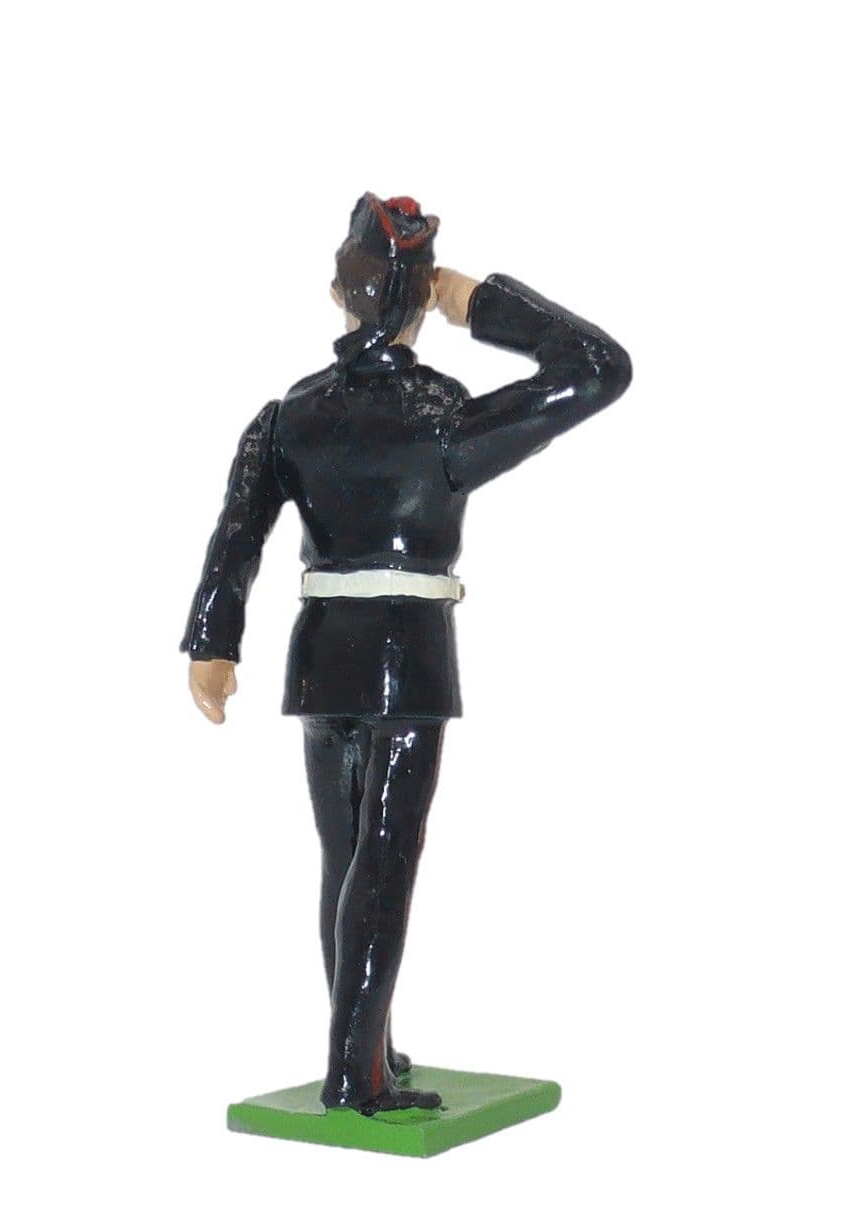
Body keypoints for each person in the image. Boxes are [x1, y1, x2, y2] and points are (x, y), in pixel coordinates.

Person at [181, 193, 632, 1115]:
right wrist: (476, 302)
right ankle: (356, 1071)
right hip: (408, 658)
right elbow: (597, 368)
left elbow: (237, 537)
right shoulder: (441, 417)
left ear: (336, 293)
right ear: (422, 298)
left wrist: (212, 643)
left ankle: (365, 1046)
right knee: (382, 862)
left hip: (320, 656)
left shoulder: (290, 415)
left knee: (346, 857)